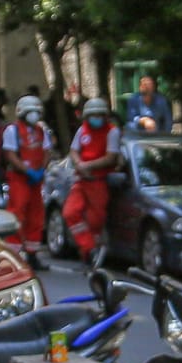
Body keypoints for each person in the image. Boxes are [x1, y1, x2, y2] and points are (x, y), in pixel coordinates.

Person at [60, 96, 121, 268]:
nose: (96, 119)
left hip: (98, 181)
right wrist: (79, 163)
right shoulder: (83, 130)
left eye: (99, 115)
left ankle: (89, 255)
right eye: (92, 115)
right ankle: (89, 247)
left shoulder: (112, 131)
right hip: (81, 180)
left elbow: (111, 158)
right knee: (70, 213)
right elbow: (73, 150)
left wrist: (89, 165)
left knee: (95, 221)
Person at [0, 93, 52, 267]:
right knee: (17, 214)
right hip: (19, 179)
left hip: (36, 180)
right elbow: (10, 155)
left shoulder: (41, 131)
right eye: (31, 112)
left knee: (36, 216)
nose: (34, 115)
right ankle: (13, 254)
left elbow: (46, 152)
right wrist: (27, 170)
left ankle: (32, 254)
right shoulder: (12, 130)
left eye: (36, 112)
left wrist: (41, 170)